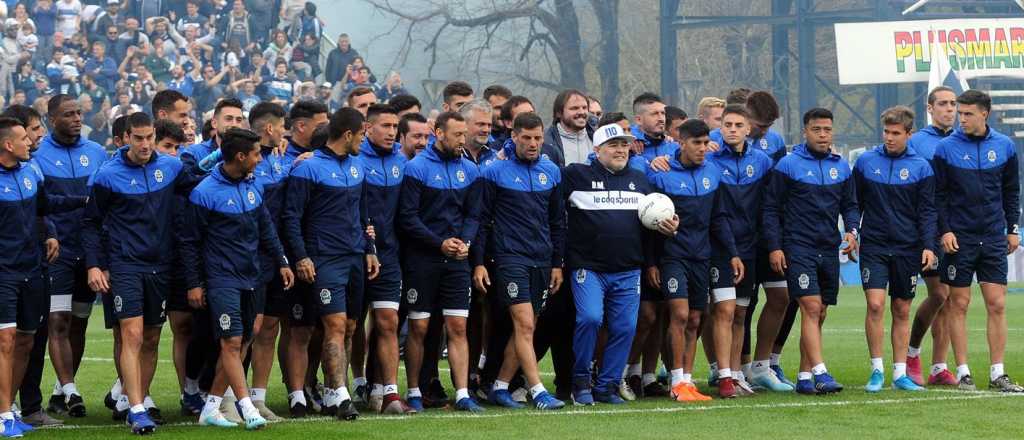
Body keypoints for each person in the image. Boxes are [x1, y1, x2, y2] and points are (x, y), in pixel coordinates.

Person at [81, 112, 204, 434]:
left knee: (151, 338)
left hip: (161, 266)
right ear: (125, 139)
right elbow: (91, 223)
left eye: (150, 137)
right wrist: (94, 264)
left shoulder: (171, 167)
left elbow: (207, 186)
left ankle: (139, 399)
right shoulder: (107, 176)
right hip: (125, 265)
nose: (146, 144)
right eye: (138, 138)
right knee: (132, 334)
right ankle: (136, 409)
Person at [181, 127, 295, 429]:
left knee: (244, 339)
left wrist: (282, 261)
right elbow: (190, 241)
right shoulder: (204, 192)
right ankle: (248, 408)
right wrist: (194, 282)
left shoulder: (253, 185)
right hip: (222, 279)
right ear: (241, 156)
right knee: (231, 341)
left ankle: (211, 407)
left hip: (252, 276)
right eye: (257, 154)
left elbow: (266, 228)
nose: (260, 160)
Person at [565, 122, 675, 405]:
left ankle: (607, 387)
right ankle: (580, 383)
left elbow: (653, 225)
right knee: (590, 318)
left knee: (626, 327)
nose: (620, 150)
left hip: (628, 269)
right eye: (613, 145)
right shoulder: (575, 176)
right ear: (597, 149)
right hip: (587, 267)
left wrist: (668, 226)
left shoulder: (640, 181)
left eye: (625, 144)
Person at [281, 107, 379, 419]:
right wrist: (301, 256)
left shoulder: (357, 167)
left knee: (350, 327)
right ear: (348, 134)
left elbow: (364, 215)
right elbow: (291, 217)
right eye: (362, 135)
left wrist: (370, 249)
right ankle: (341, 397)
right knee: (334, 325)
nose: (364, 141)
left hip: (354, 258)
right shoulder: (307, 169)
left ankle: (336, 390)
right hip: (324, 259)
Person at [472, 112, 567, 410]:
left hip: (542, 259)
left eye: (538, 138)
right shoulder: (493, 171)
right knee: (524, 323)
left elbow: (557, 222)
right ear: (513, 137)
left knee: (527, 327)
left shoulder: (551, 171)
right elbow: (481, 220)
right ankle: (538, 391)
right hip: (509, 258)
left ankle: (500, 386)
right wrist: (479, 262)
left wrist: (556, 263)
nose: (533, 143)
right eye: (526, 138)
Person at [0, 116, 87, 438]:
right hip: (4, 273)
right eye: (24, 137)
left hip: (33, 270)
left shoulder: (29, 173)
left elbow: (45, 206)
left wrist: (84, 201)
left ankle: (8, 410)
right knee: (6, 341)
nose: (30, 142)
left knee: (25, 340)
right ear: (9, 144)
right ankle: (3, 414)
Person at [762, 108, 859, 395]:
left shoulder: (841, 167)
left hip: (828, 248)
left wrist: (852, 232)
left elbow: (850, 205)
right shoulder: (788, 165)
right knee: (811, 307)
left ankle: (804, 376)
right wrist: (775, 247)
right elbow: (770, 209)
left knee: (820, 313)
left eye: (827, 129)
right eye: (816, 129)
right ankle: (821, 372)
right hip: (797, 247)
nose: (822, 134)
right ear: (805, 131)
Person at [933, 90, 1023, 392]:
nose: (962, 119)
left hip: (993, 236)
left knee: (997, 303)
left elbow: (1012, 191)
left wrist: (1013, 229)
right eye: (960, 113)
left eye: (968, 113)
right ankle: (963, 372)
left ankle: (998, 373)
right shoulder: (946, 149)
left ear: (985, 114)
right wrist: (944, 230)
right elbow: (939, 196)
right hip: (959, 238)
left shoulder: (1005, 146)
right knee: (959, 303)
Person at [398, 111, 484, 412]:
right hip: (423, 261)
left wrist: (466, 243)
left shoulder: (471, 170)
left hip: (457, 262)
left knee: (457, 326)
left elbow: (474, 215)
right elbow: (407, 218)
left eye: (464, 134)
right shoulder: (416, 169)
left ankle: (462, 394)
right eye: (457, 134)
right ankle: (414, 391)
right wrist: (439, 243)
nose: (463, 140)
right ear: (439, 133)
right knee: (419, 328)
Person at [32, 95, 107, 418]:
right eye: (68, 114)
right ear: (51, 119)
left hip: (89, 252)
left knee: (78, 322)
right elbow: (41, 205)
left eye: (79, 113)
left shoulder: (97, 152)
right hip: (58, 252)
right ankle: (72, 390)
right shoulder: (37, 155)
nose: (77, 118)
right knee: (57, 321)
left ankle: (61, 391)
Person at [853, 106, 935, 393]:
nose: (889, 138)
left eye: (896, 133)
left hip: (907, 247)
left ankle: (900, 374)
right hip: (874, 245)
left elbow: (927, 211)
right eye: (886, 132)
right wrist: (852, 233)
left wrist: (928, 246)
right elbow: (855, 204)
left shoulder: (921, 167)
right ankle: (876, 370)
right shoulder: (865, 162)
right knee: (875, 305)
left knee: (901, 308)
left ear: (909, 134)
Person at [358, 104, 415, 414]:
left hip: (390, 256)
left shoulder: (402, 163)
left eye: (395, 127)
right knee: (350, 325)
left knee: (387, 322)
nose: (392, 132)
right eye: (385, 126)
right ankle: (349, 386)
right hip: (356, 255)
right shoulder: (354, 161)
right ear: (368, 128)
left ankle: (390, 393)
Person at [624, 92, 677, 399]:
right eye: (655, 113)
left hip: (671, 242)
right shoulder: (631, 153)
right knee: (644, 315)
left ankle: (647, 376)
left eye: (663, 113)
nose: (661, 117)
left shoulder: (672, 148)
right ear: (638, 120)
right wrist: (642, 159)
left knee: (662, 314)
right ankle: (627, 371)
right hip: (640, 245)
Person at [904, 85, 957, 386]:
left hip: (953, 229)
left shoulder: (961, 141)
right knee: (938, 294)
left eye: (953, 104)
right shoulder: (919, 142)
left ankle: (939, 367)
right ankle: (912, 354)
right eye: (943, 104)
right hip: (924, 230)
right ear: (930, 108)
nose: (949, 109)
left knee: (948, 300)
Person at [244, 102, 292, 422]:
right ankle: (232, 394)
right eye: (282, 126)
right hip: (250, 256)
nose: (285, 132)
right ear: (270, 129)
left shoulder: (279, 160)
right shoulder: (243, 160)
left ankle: (258, 397)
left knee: (269, 327)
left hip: (276, 255)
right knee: (249, 328)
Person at [543, 89, 592, 167]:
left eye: (584, 108)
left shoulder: (597, 137)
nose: (581, 112)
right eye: (574, 108)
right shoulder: (545, 141)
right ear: (559, 113)